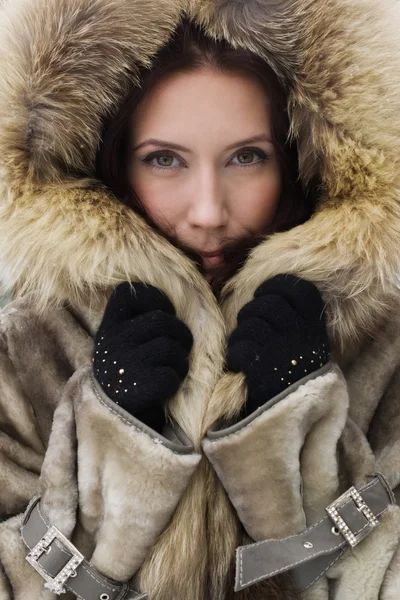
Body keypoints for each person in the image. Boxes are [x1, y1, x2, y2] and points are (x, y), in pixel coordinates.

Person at [0, 2, 399, 600]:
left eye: (246, 157)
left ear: (300, 158)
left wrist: (301, 424)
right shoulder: (29, 342)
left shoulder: (382, 337)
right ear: (107, 162)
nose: (209, 211)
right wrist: (119, 439)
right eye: (164, 159)